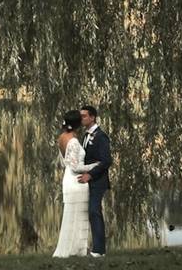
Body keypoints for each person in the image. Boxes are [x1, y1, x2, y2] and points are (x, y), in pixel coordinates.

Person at [53, 110, 99, 257]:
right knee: (78, 215)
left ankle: (76, 249)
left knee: (72, 215)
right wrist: (94, 166)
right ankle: (76, 249)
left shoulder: (61, 137)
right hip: (76, 180)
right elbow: (75, 167)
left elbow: (64, 162)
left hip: (68, 178)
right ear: (78, 124)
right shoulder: (72, 141)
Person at [78, 104, 112, 257]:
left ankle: (99, 250)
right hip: (88, 181)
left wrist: (90, 175)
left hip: (98, 181)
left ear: (92, 117)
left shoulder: (101, 136)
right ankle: (94, 248)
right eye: (81, 116)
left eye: (84, 116)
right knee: (91, 213)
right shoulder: (85, 135)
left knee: (94, 211)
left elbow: (106, 161)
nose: (82, 118)